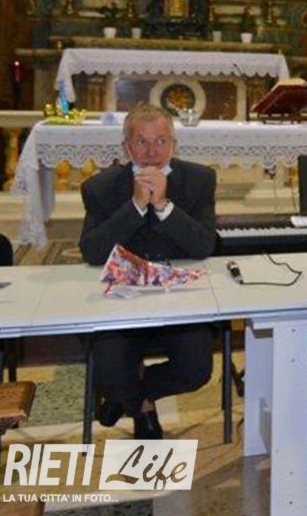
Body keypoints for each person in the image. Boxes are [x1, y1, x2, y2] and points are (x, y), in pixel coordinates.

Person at [79, 103, 217, 440]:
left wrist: (163, 206)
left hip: (178, 298)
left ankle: (131, 397)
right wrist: (136, 206)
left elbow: (204, 246)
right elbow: (92, 251)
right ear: (126, 146)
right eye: (141, 142)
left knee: (196, 370)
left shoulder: (200, 179)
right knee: (109, 374)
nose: (152, 152)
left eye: (161, 141)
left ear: (174, 144)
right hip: (121, 301)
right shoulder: (100, 187)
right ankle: (140, 405)